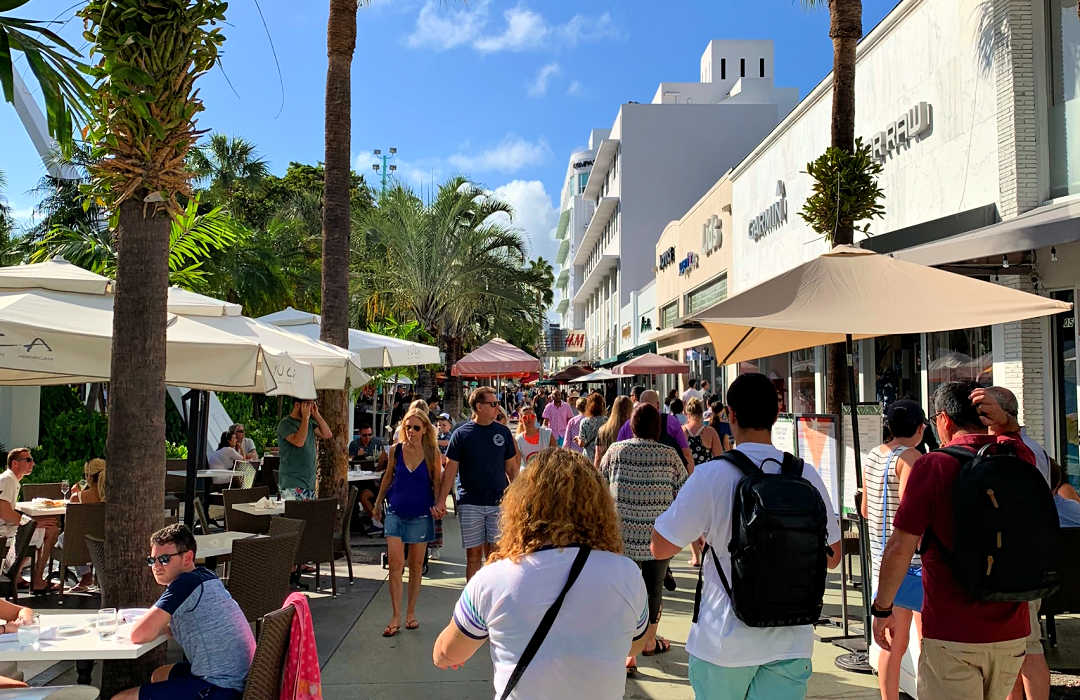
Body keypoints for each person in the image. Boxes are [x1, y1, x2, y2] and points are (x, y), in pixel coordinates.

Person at [650, 373, 842, 699]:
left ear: (731, 415)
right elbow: (834, 557)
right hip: (791, 639)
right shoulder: (804, 474)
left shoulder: (712, 476)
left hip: (722, 640)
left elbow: (660, 547)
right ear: (776, 413)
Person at [433, 449, 649, 697]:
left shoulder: (493, 579)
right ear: (600, 508)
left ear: (521, 505)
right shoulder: (628, 574)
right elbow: (635, 643)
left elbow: (445, 654)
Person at [873, 382, 1036, 700]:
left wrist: (882, 609)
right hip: (1012, 630)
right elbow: (1017, 439)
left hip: (953, 631)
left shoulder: (934, 465)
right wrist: (1005, 423)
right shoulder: (1016, 456)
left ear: (944, 420)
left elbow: (901, 546)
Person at [974, 388, 1053, 700]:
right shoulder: (1025, 448)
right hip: (1020, 558)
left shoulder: (1019, 449)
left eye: (986, 412)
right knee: (1015, 648)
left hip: (1020, 561)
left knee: (1028, 645)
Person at [116, 523, 255, 700]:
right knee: (159, 675)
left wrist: (152, 626)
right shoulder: (207, 576)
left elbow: (139, 634)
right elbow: (194, 625)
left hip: (220, 688)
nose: (156, 566)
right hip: (241, 678)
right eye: (152, 560)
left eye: (165, 559)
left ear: (188, 558)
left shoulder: (184, 585)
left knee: (121, 698)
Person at [599, 404, 688, 674]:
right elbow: (684, 492)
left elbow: (599, 486)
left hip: (621, 538)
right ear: (657, 428)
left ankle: (628, 653)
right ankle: (648, 641)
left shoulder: (615, 451)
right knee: (653, 590)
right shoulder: (670, 455)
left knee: (624, 594)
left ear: (632, 426)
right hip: (657, 539)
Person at [862, 399, 925, 700]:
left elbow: (864, 509)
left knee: (891, 645)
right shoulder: (911, 458)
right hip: (911, 563)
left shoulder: (873, 455)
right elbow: (912, 512)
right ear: (920, 427)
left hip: (881, 561)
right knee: (927, 644)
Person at [435, 387, 518, 581]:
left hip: (499, 502)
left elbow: (512, 470)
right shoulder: (461, 434)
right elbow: (450, 472)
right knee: (473, 557)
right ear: (479, 407)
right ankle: (472, 602)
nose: (498, 407)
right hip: (471, 503)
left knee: (495, 556)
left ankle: (492, 599)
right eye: (493, 404)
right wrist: (441, 501)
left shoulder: (503, 432)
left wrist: (520, 499)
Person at [373, 408, 441, 637]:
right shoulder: (396, 450)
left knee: (415, 567)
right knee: (395, 565)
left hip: (421, 514)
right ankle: (395, 615)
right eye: (407, 427)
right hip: (395, 512)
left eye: (416, 428)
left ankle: (410, 612)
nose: (411, 431)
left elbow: (438, 482)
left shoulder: (432, 453)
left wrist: (439, 504)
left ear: (425, 430)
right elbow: (388, 476)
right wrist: (377, 503)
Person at [0, 449, 60, 593]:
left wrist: (32, 523)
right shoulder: (7, 479)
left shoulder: (11, 480)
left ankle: (18, 576)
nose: (32, 463)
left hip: (6, 528)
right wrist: (32, 524)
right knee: (52, 530)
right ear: (14, 463)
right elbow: (4, 511)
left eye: (32, 460)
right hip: (3, 532)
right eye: (28, 460)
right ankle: (36, 580)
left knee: (43, 525)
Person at [616, 390, 694, 469]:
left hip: (633, 474)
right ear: (658, 405)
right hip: (665, 474)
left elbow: (618, 450)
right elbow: (686, 453)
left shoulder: (628, 425)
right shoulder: (671, 422)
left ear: (639, 404)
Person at [276, 398, 332, 500]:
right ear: (297, 405)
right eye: (308, 404)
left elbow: (327, 434)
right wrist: (305, 418)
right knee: (295, 515)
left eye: (312, 404)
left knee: (308, 516)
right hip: (292, 483)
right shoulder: (285, 423)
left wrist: (317, 415)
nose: (311, 408)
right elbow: (299, 442)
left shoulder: (310, 422)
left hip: (309, 483)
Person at [66, 458, 108, 592]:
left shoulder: (78, 497)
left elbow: (70, 523)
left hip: (80, 546)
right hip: (105, 540)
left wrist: (75, 494)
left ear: (89, 476)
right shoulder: (111, 497)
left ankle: (86, 575)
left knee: (62, 537)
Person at [595, 396, 634, 469]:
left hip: (608, 470)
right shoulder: (633, 430)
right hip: (629, 471)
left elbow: (598, 457)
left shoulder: (603, 430)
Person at [576, 393, 608, 462]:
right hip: (603, 456)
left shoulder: (584, 422)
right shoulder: (606, 421)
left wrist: (577, 439)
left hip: (588, 457)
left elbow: (581, 443)